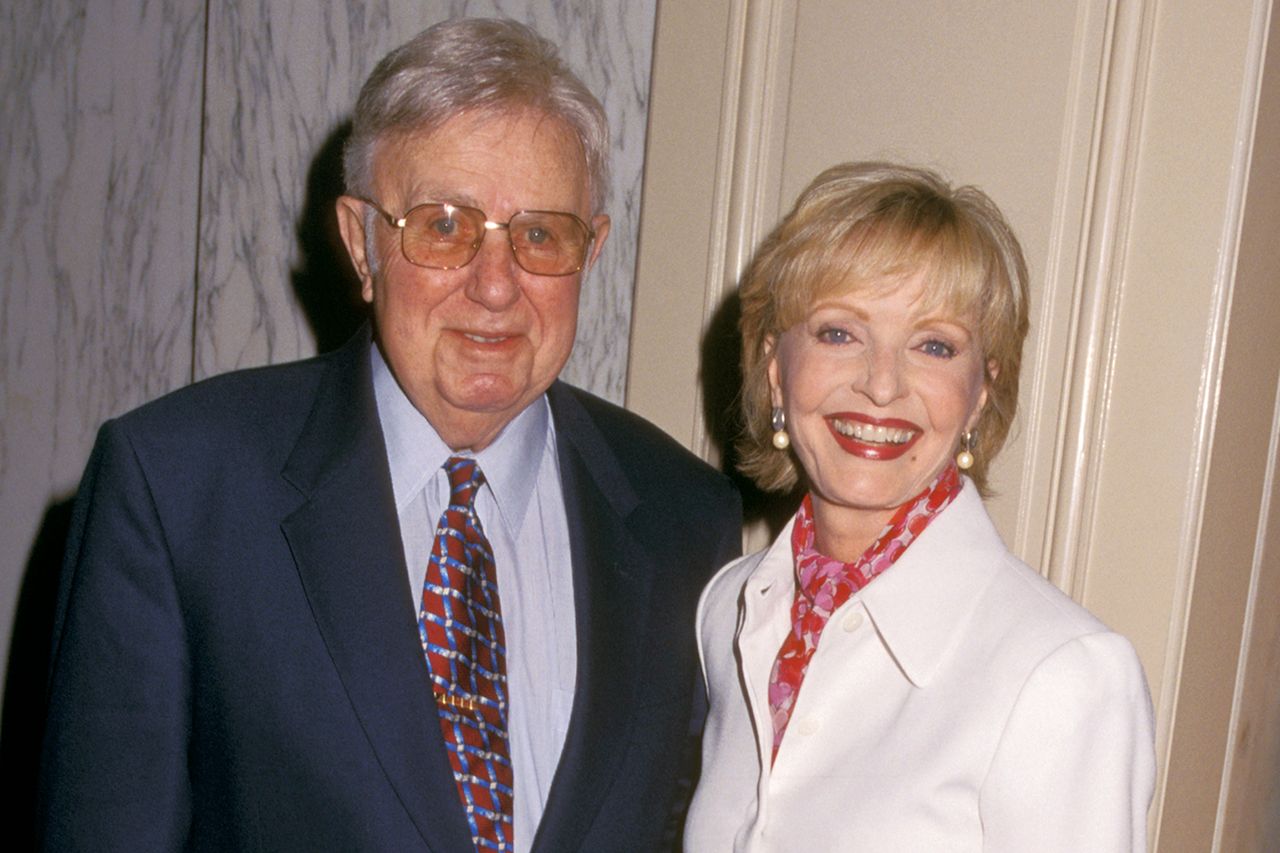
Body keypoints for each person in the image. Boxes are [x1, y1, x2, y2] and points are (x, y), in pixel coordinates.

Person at [37, 18, 741, 852]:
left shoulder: (684, 519)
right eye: (443, 226)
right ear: (361, 243)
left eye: (539, 235)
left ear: (592, 250)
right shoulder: (179, 488)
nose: (495, 285)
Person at [684, 162, 1155, 851]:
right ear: (776, 367)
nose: (881, 385)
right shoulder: (729, 607)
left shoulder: (1065, 674)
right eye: (839, 333)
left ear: (980, 393)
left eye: (934, 345)